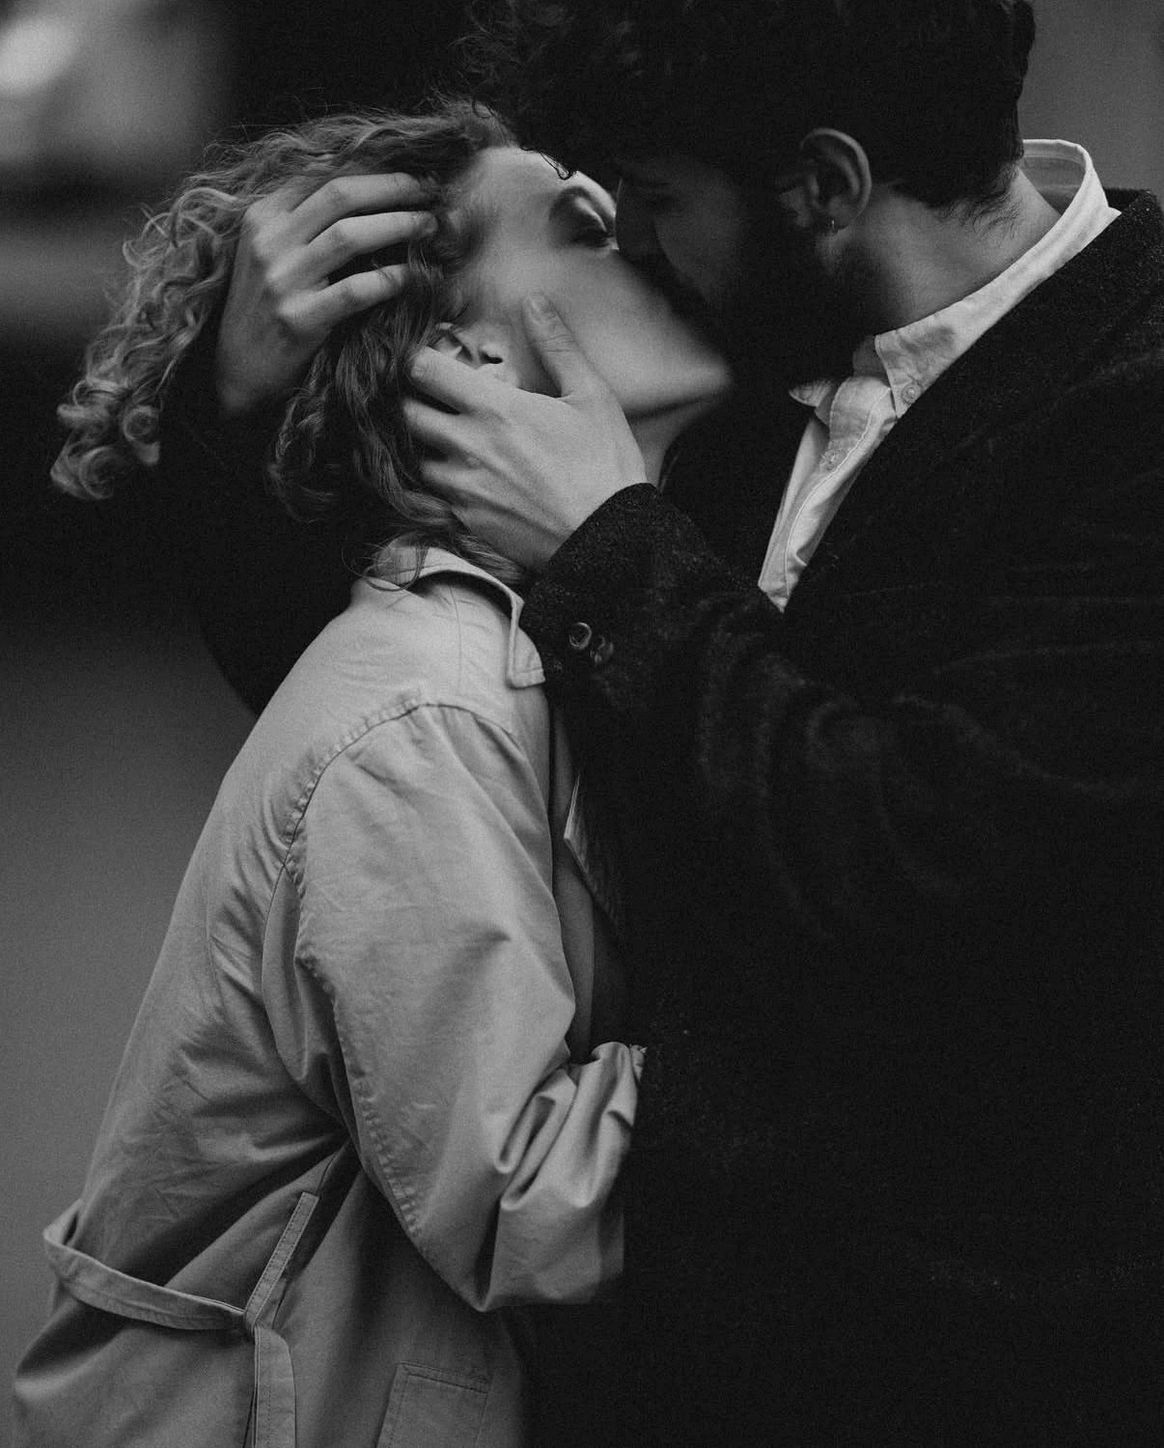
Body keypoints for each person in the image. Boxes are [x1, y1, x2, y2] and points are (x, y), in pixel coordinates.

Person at [84, 1, 1164, 1442]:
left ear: (823, 185)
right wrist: (245, 401)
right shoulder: (739, 354)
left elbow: (935, 854)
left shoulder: (1120, 409)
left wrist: (612, 546)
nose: (639, 241)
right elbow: (411, 727)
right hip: (682, 1362)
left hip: (986, 1366)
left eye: (651, 200)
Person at [11, 100, 735, 1448]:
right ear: (464, 362)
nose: (637, 233)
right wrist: (870, 1038)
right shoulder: (422, 715)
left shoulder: (518, 654)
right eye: (579, 226)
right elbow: (529, 1195)